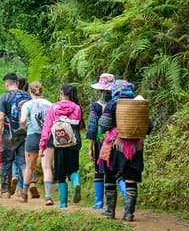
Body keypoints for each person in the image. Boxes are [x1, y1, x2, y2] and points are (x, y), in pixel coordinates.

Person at [97, 80, 152, 221]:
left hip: (116, 146)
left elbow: (103, 125)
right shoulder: (138, 104)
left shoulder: (113, 103)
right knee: (131, 178)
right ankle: (128, 214)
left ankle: (110, 211)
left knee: (110, 175)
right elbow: (149, 127)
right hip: (136, 147)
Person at [39, 84, 84, 208]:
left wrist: (42, 146)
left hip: (58, 144)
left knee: (60, 173)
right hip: (74, 143)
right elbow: (76, 125)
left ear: (63, 94)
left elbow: (47, 128)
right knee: (73, 168)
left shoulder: (53, 108)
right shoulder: (77, 108)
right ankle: (76, 183)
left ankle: (63, 203)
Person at [0, 72, 30, 198]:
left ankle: (5, 191)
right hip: (25, 134)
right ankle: (25, 188)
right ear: (17, 83)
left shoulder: (4, 97)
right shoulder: (27, 95)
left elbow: (0, 118)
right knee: (23, 162)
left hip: (8, 135)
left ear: (6, 84)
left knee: (6, 162)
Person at [19, 81, 53, 204]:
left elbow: (23, 120)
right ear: (41, 91)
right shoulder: (50, 104)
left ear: (30, 91)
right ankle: (48, 196)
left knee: (29, 167)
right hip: (48, 137)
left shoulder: (27, 105)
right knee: (47, 167)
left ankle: (24, 194)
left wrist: (24, 126)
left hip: (32, 136)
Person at [86, 73, 115, 209]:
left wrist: (89, 147)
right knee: (115, 171)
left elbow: (92, 127)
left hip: (100, 141)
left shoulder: (96, 106)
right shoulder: (118, 104)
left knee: (99, 170)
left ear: (100, 90)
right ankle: (124, 197)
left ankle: (99, 202)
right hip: (116, 141)